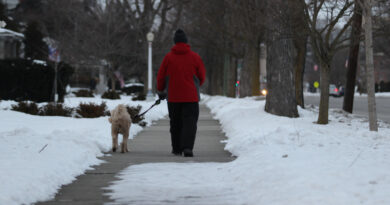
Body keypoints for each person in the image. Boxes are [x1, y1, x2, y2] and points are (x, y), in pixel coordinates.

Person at [156, 29, 206, 157]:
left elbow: (161, 76)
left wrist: (161, 89)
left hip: (173, 96)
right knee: (190, 122)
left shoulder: (168, 57)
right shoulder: (195, 57)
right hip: (191, 96)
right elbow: (202, 76)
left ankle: (177, 148)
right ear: (186, 41)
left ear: (174, 42)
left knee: (175, 122)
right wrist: (195, 86)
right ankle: (187, 147)